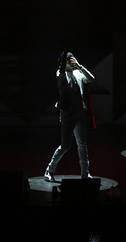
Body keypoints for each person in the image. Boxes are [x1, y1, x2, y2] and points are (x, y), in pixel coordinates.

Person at [44, 52, 96, 182]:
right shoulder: (60, 74)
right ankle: (49, 170)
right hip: (67, 115)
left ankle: (85, 173)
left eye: (72, 60)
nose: (72, 62)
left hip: (79, 114)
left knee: (82, 144)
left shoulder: (78, 73)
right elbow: (61, 70)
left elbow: (91, 78)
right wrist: (64, 60)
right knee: (65, 146)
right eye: (69, 61)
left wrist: (79, 66)